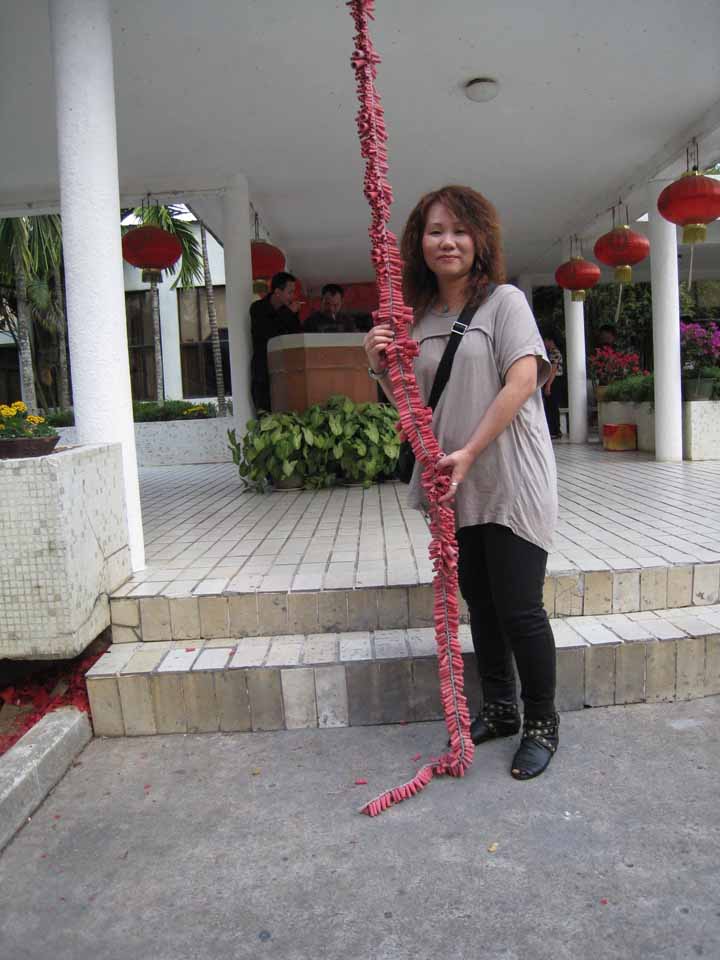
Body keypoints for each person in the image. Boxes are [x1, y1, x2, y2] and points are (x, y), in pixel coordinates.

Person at [363, 185, 559, 780]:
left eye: (459, 230)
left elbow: (522, 381)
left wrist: (471, 451)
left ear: (480, 240)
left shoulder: (504, 302)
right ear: (418, 244)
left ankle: (542, 722)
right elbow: (413, 407)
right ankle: (499, 707)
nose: (447, 242)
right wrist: (378, 364)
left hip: (509, 474)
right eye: (435, 231)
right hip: (452, 483)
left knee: (520, 606)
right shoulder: (415, 319)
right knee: (481, 603)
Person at [250, 271, 301, 412]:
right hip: (264, 371)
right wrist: (289, 313)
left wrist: (293, 314)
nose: (292, 296)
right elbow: (267, 333)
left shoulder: (289, 311)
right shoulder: (258, 308)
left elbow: (295, 336)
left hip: (286, 370)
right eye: (290, 292)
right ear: (277, 292)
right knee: (265, 413)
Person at [542, 330, 564, 440]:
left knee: (553, 406)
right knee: (550, 406)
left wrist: (548, 385)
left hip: (554, 381)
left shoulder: (555, 352)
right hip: (552, 381)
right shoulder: (551, 353)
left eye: (545, 341)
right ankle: (553, 429)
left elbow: (553, 370)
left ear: (550, 341)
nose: (544, 343)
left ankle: (555, 430)